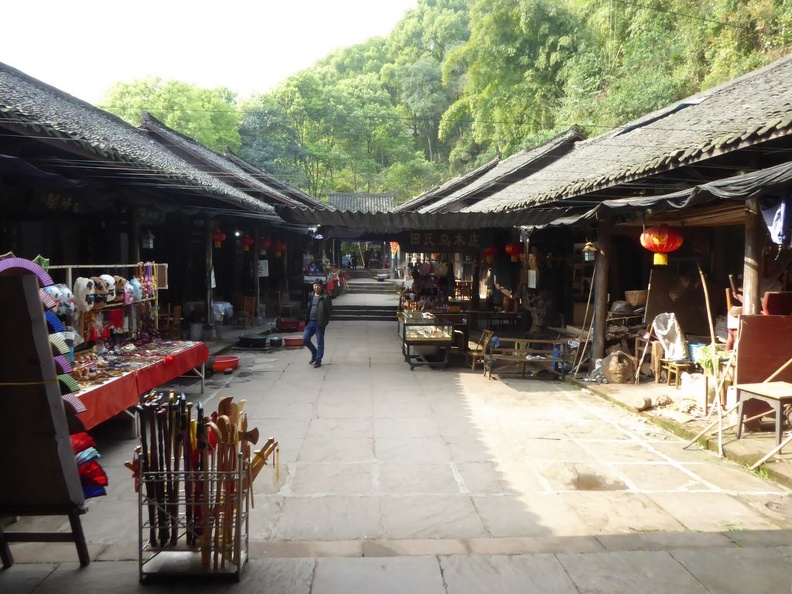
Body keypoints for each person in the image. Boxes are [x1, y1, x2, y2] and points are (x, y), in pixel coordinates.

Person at [303, 279, 333, 368]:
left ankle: (318, 360)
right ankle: (314, 353)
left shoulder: (325, 297)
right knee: (305, 339)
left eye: (318, 285)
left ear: (321, 286)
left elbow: (329, 311)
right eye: (314, 285)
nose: (316, 287)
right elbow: (308, 307)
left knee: (320, 342)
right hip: (310, 322)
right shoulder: (311, 295)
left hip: (320, 323)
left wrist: (325, 321)